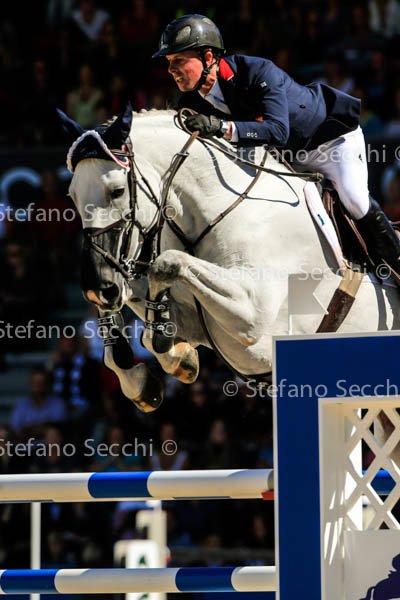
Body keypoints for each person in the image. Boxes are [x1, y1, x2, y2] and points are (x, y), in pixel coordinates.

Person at [152, 14, 400, 279]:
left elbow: (278, 131)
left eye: (179, 60)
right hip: (288, 159)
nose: (171, 69)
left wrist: (222, 127)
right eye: (169, 62)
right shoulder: (192, 102)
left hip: (331, 142)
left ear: (209, 57)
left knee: (355, 200)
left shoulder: (257, 71)